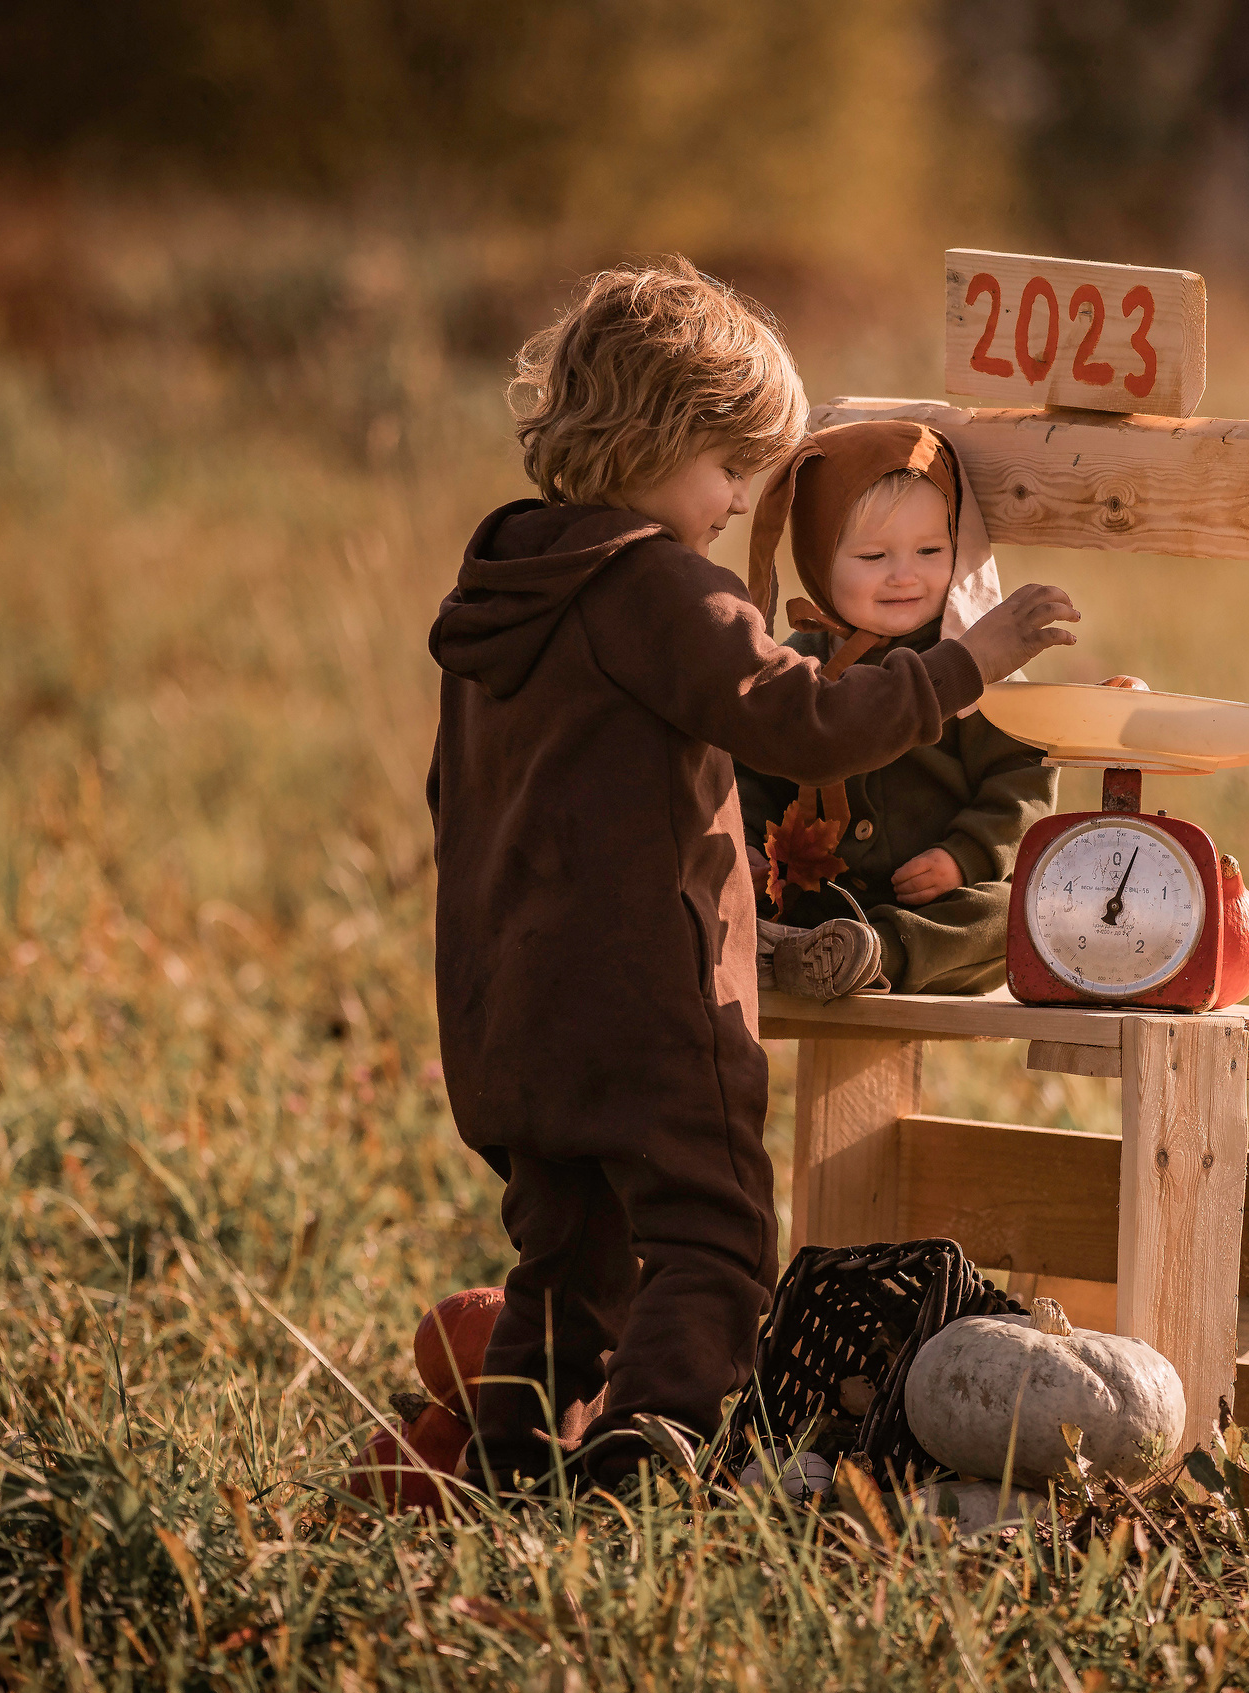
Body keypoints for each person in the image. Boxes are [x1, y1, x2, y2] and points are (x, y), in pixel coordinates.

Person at [425, 258, 1078, 1492]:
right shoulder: (660, 589)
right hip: (643, 995)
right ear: (662, 438)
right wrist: (967, 663)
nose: (738, 500)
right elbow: (806, 725)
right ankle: (646, 1467)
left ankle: (508, 1473)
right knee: (711, 1241)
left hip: (503, 1000)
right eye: (731, 467)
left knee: (564, 1261)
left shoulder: (501, 593)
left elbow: (448, 801)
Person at [736, 420, 1056, 998]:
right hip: (811, 901)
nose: (904, 575)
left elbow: (1021, 779)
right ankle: (788, 951)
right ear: (818, 558)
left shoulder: (971, 661)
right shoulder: (795, 664)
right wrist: (751, 846)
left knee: (1017, 913)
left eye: (931, 550)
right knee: (724, 889)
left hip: (933, 913)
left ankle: (872, 957)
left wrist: (963, 857)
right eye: (874, 555)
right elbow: (756, 770)